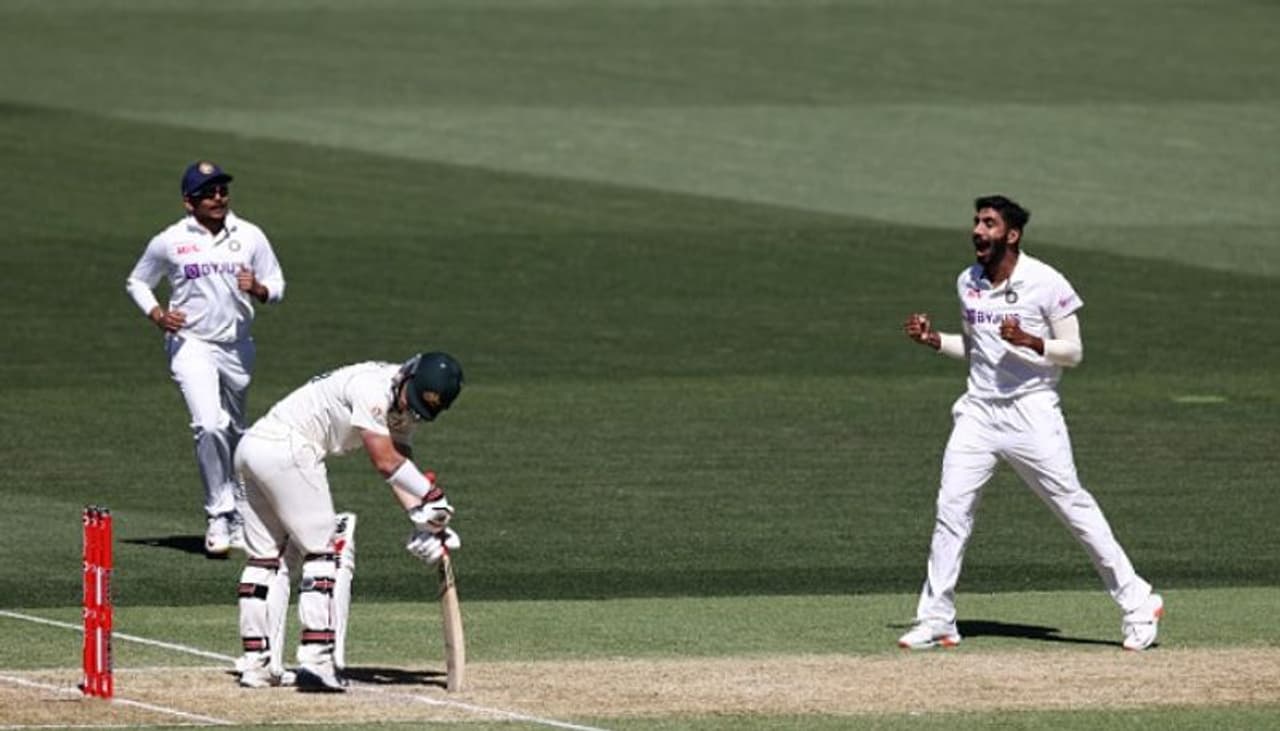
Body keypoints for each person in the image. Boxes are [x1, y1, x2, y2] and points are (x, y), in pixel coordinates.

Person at [898, 195, 1163, 652]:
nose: (978, 231)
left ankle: (1139, 603)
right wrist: (934, 340)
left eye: (989, 224)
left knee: (1072, 507)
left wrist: (1032, 341)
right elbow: (977, 349)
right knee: (951, 511)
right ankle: (938, 618)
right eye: (976, 222)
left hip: (1031, 412)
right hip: (979, 413)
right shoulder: (968, 282)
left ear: (1012, 235)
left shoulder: (1045, 281)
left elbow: (1074, 352)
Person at [231, 351, 465, 691]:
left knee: (268, 558)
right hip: (288, 448)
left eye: (420, 411)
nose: (410, 412)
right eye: (411, 403)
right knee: (327, 551)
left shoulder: (403, 401)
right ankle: (317, 660)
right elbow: (384, 461)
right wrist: (432, 497)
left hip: (253, 450)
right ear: (407, 375)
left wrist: (422, 520)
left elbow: (400, 461)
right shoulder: (372, 387)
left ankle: (257, 665)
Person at [125, 161, 286, 557]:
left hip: (237, 347)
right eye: (208, 192)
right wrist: (158, 314)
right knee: (209, 424)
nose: (218, 197)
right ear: (188, 202)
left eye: (222, 191)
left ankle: (238, 514)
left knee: (234, 432)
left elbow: (278, 284)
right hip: (190, 344)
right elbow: (137, 281)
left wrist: (260, 289)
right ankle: (219, 513)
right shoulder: (170, 241)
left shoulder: (249, 235)